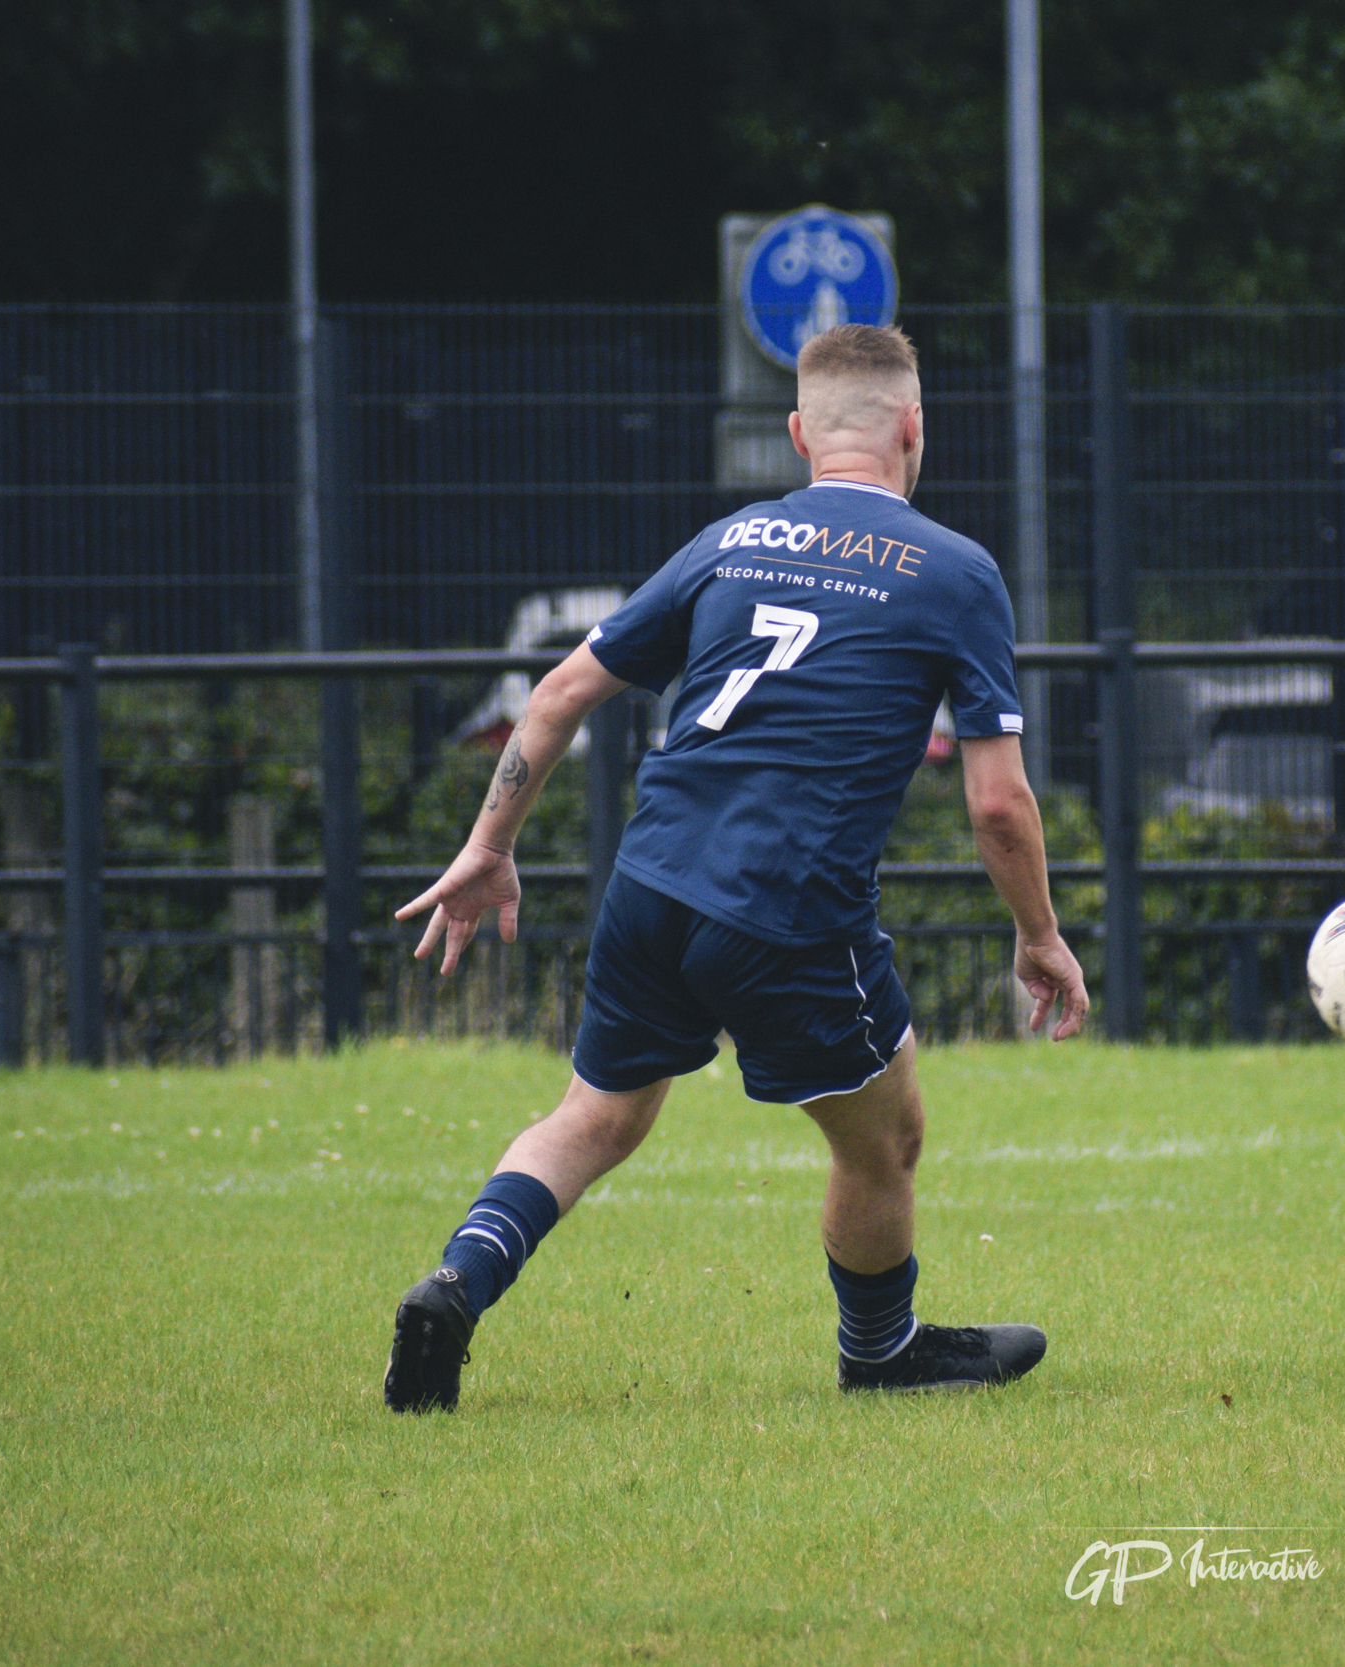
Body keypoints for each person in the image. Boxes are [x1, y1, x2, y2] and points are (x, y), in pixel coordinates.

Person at [381, 323, 1088, 1412]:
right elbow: (996, 800)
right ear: (913, 428)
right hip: (788, 907)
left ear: (802, 433)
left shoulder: (731, 539)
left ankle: (454, 1287)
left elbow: (561, 692)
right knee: (885, 1136)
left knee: (596, 1117)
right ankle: (881, 1350)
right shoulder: (955, 570)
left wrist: (488, 847)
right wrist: (1039, 934)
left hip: (652, 881)